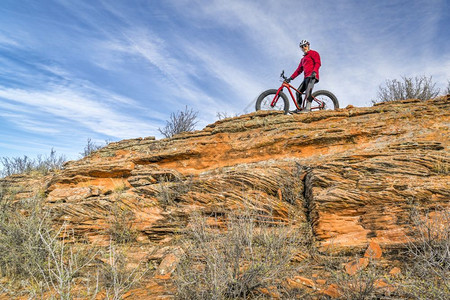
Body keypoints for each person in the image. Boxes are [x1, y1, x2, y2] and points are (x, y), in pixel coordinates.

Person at [285, 40, 321, 113]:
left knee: (308, 92)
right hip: (306, 78)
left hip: (312, 76)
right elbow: (298, 70)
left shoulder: (314, 53)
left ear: (308, 45)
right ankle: (299, 108)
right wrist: (290, 78)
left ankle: (308, 109)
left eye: (305, 46)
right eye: (302, 47)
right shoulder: (303, 59)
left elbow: (318, 63)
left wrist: (314, 71)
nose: (304, 47)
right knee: (298, 92)